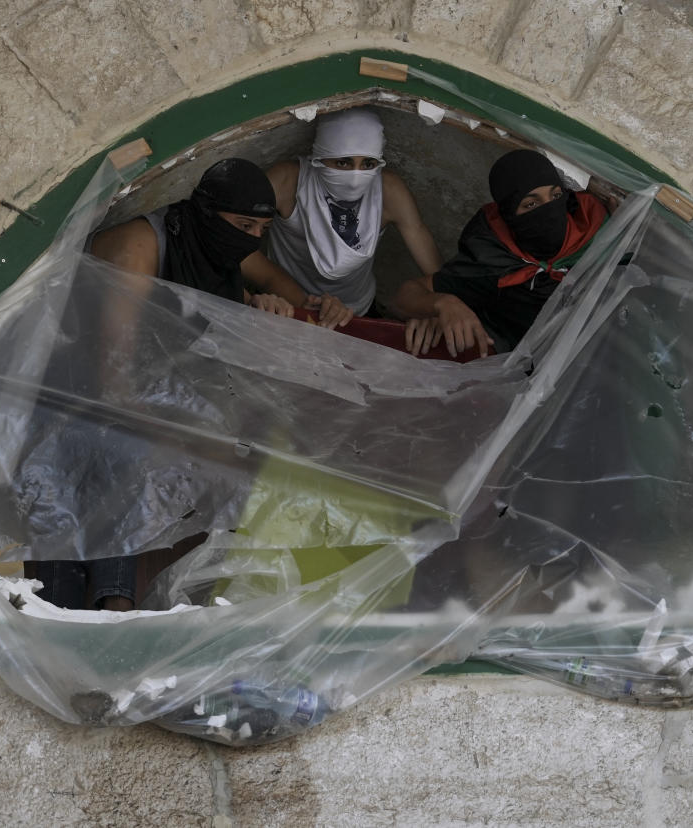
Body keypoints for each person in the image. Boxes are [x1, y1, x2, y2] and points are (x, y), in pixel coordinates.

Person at [30, 158, 289, 612]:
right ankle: (97, 609)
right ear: (207, 213)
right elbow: (113, 372)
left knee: (241, 460)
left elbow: (267, 291)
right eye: (244, 224)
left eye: (261, 229)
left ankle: (173, 603)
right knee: (114, 462)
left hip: (143, 389)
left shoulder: (218, 248)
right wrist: (170, 431)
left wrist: (262, 304)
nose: (251, 239)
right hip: (64, 390)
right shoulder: (140, 247)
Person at [391, 149, 612, 358]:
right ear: (509, 215)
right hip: (513, 362)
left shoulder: (597, 235)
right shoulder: (493, 255)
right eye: (531, 203)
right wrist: (441, 304)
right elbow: (404, 298)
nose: (549, 211)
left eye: (555, 196)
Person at [242, 108, 442, 328]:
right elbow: (237, 242)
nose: (355, 177)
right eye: (343, 163)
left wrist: (438, 305)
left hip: (359, 308)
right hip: (284, 304)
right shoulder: (289, 183)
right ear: (319, 157)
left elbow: (422, 243)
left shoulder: (388, 191)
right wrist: (301, 301)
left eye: (367, 164)